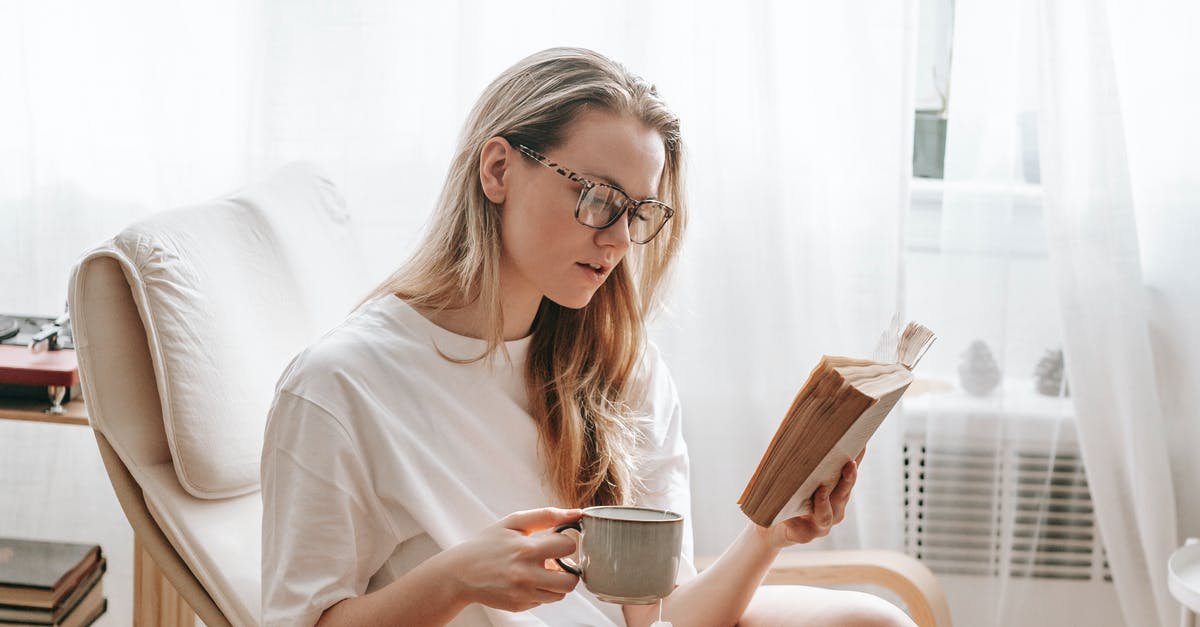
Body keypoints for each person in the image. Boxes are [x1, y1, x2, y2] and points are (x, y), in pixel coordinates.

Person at [260, 47, 915, 627]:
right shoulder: (341, 385)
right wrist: (455, 579)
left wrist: (767, 536)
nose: (620, 239)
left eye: (639, 212)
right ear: (498, 170)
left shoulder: (625, 370)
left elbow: (661, 616)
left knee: (873, 620)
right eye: (600, 198)